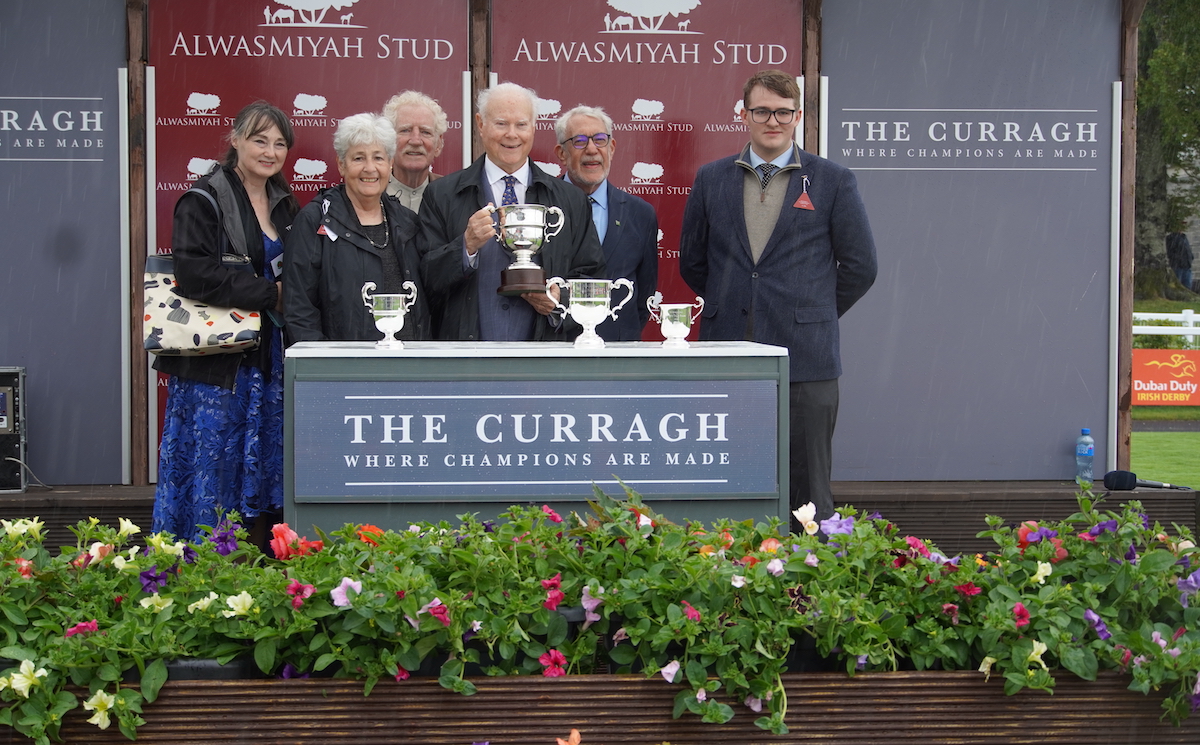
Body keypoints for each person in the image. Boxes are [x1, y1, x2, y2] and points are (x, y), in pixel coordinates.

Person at [679, 70, 878, 529]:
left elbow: (861, 266)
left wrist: (812, 311)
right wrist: (735, 301)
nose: (773, 120)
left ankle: (812, 591)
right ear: (744, 115)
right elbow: (693, 261)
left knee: (808, 496)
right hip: (728, 355)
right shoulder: (710, 180)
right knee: (727, 481)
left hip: (806, 360)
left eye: (784, 112)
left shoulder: (833, 181)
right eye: (762, 111)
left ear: (799, 116)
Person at [153, 101, 300, 542]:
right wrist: (269, 292)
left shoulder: (286, 203)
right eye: (259, 140)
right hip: (217, 368)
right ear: (235, 140)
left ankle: (260, 565)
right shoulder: (202, 200)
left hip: (270, 360)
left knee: (264, 473)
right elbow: (195, 274)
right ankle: (203, 574)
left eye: (279, 143)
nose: (270, 151)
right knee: (215, 470)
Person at [419, 82, 606, 341]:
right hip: (466, 363)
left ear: (533, 127)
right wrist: (465, 247)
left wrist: (559, 301)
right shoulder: (442, 195)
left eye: (521, 124)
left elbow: (592, 280)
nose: (512, 134)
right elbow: (424, 280)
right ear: (480, 124)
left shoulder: (570, 200)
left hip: (543, 365)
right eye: (501, 124)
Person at [284, 113, 430, 344]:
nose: (370, 168)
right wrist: (323, 370)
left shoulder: (408, 222)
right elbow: (300, 308)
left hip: (409, 364)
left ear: (390, 164)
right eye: (359, 158)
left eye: (378, 158)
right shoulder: (315, 220)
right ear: (341, 164)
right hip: (345, 370)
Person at [554, 105, 658, 341]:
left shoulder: (640, 214)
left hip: (618, 358)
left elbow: (643, 298)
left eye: (600, 140)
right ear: (562, 153)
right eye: (579, 141)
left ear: (611, 148)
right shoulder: (541, 208)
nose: (592, 149)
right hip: (555, 354)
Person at [382, 90, 447, 213]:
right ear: (388, 140)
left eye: (425, 132)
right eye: (405, 130)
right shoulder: (369, 194)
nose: (416, 141)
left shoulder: (452, 195)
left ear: (438, 144)